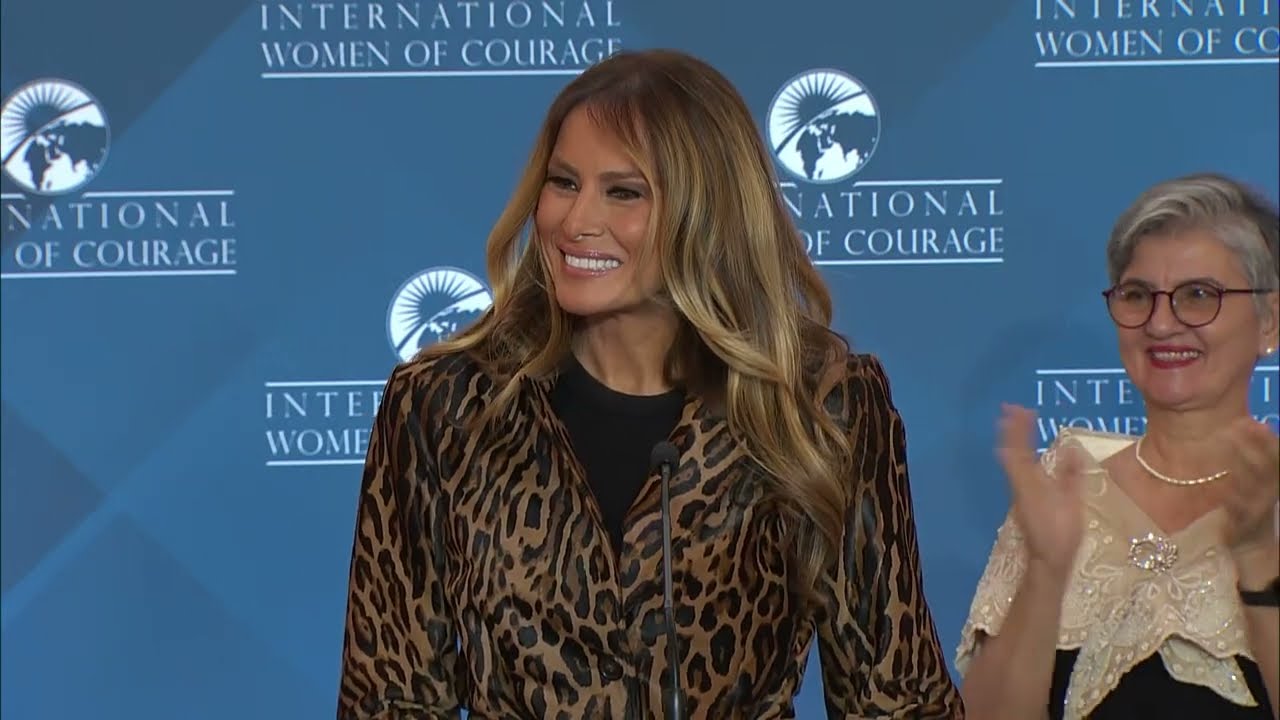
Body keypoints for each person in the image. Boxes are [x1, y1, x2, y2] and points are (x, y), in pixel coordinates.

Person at [335, 48, 963, 719]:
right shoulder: (448, 404)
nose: (576, 223)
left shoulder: (817, 407)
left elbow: (894, 700)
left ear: (708, 210)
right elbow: (390, 698)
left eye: (624, 192)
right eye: (564, 183)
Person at [956, 172, 1280, 720]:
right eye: (1137, 295)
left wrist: (1255, 554)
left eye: (1198, 295)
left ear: (1269, 320)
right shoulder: (1067, 480)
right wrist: (1046, 570)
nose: (1160, 323)